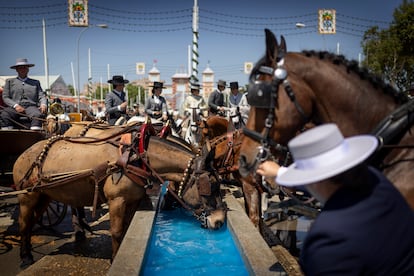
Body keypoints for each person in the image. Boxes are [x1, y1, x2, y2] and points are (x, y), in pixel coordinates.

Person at [256, 123, 414, 275]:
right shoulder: (377, 180)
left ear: (314, 180)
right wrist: (281, 173)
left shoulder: (327, 239)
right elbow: (322, 182)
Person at [1, 58, 47, 130]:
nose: (23, 69)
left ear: (28, 69)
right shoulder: (9, 81)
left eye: (25, 67)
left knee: (37, 115)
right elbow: (5, 97)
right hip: (14, 107)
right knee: (5, 114)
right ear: (16, 70)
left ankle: (34, 136)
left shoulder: (35, 82)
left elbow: (41, 96)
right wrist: (16, 106)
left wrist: (43, 104)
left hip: (31, 107)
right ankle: (8, 135)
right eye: (20, 68)